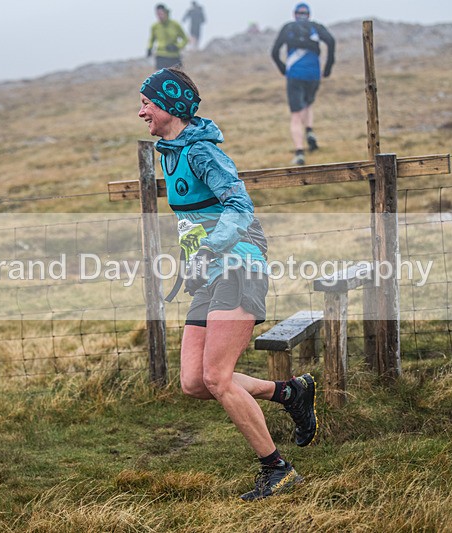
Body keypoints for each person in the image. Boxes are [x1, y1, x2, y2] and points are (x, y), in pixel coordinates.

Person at [137, 66, 318, 501]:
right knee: (195, 383)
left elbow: (239, 205)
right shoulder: (170, 151)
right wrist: (193, 258)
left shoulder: (202, 153)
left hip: (239, 265)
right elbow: (197, 219)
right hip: (210, 273)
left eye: (147, 102)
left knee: (217, 377)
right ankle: (290, 392)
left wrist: (209, 249)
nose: (141, 110)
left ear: (170, 106)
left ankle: (277, 469)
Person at [271, 2, 335, 166]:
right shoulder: (316, 27)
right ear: (309, 14)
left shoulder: (288, 28)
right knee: (307, 104)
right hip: (314, 74)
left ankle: (299, 152)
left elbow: (274, 51)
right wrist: (328, 67)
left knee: (296, 115)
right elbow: (331, 41)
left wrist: (283, 68)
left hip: (295, 74)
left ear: (294, 14)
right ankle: (310, 131)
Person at [147, 4, 189, 70]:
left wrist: (177, 46)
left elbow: (185, 39)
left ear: (165, 12)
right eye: (157, 14)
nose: (159, 16)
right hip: (161, 56)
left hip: (174, 56)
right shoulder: (155, 26)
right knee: (161, 79)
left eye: (161, 13)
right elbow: (151, 40)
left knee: (178, 78)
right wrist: (149, 48)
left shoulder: (175, 25)